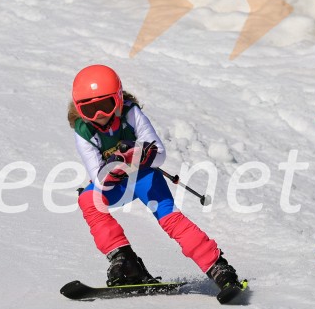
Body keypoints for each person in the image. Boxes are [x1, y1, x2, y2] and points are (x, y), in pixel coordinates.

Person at [69, 64, 241, 292]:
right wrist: (116, 165)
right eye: (91, 110)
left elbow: (159, 155)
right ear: (80, 111)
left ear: (118, 100)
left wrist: (140, 153)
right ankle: (125, 261)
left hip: (145, 179)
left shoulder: (131, 114)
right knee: (88, 199)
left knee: (170, 219)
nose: (100, 116)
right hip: (117, 184)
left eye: (106, 105)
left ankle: (218, 267)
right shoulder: (84, 132)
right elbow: (99, 179)